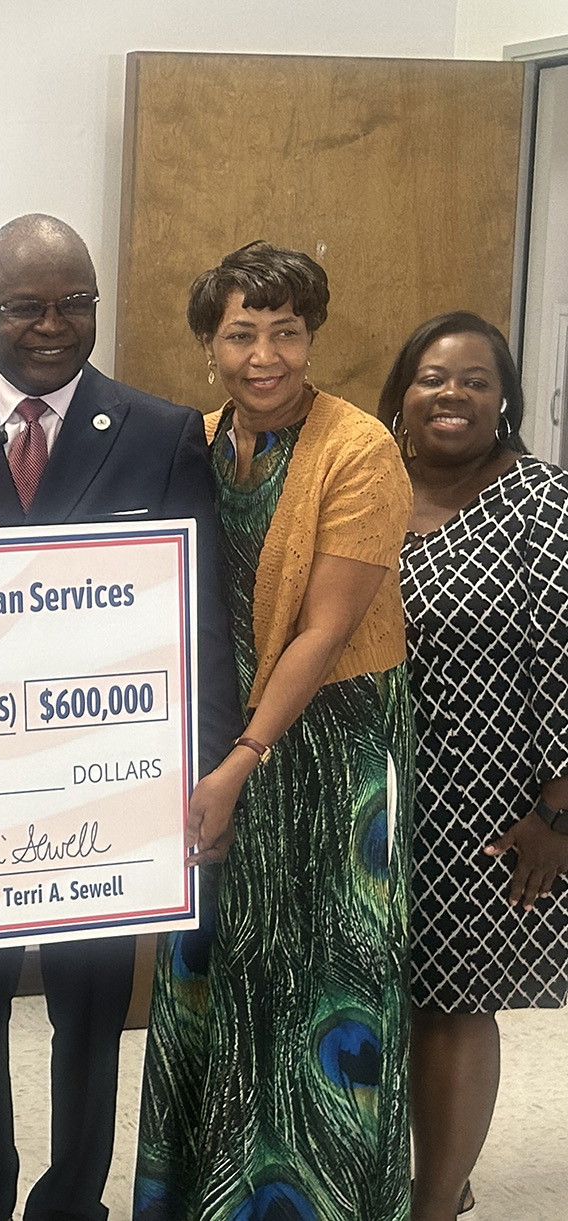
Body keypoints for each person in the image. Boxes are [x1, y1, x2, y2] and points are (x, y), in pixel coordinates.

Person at [0, 215, 239, 1221]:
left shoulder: (163, 433)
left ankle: (73, 1200)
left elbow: (201, 617)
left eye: (75, 302)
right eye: (25, 306)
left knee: (90, 1012)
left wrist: (206, 766)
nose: (52, 324)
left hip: (109, 788)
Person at [133, 241, 415, 1221]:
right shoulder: (197, 439)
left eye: (286, 333)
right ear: (209, 346)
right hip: (225, 737)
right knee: (218, 967)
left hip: (330, 746)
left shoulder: (359, 449)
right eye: (241, 334)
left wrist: (240, 762)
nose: (264, 357)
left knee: (325, 980)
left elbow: (325, 631)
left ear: (313, 337)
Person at [377, 312, 568, 1221]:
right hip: (368, 788)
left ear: (504, 401)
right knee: (378, 992)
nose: (451, 393)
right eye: (432, 377)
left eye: (475, 380)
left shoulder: (543, 501)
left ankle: (436, 1199)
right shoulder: (367, 482)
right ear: (401, 393)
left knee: (454, 999)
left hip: (492, 802)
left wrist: (557, 814)